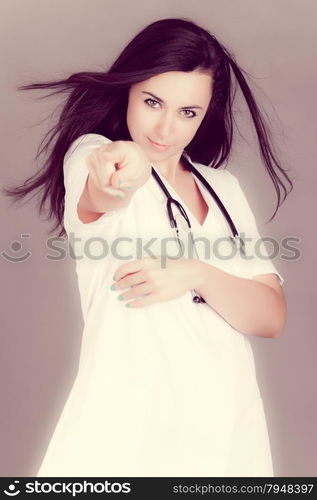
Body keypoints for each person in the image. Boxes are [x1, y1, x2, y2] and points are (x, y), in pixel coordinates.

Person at [3, 17, 291, 477]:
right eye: (152, 101)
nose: (165, 128)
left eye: (187, 112)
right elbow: (108, 185)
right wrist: (126, 164)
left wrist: (196, 273)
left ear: (206, 113)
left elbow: (270, 315)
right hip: (130, 429)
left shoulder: (223, 188)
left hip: (227, 428)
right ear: (129, 91)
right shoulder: (93, 155)